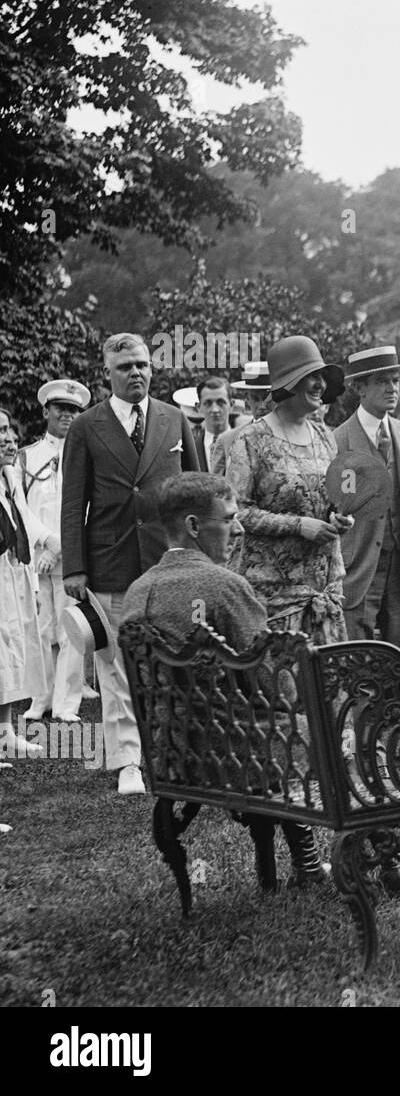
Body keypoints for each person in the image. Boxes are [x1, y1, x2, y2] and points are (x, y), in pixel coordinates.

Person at [119, 472, 326, 886]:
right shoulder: (226, 587)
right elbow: (276, 685)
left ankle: (307, 862)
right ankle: (354, 857)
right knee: (324, 723)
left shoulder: (137, 591)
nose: (239, 528)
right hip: (233, 755)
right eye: (229, 519)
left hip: (169, 755)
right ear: (194, 526)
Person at [61, 333, 199, 795]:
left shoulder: (175, 420)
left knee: (174, 657)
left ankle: (175, 752)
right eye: (125, 367)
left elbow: (196, 493)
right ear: (107, 374)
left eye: (142, 364)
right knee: (115, 664)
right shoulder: (85, 426)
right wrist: (75, 567)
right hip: (110, 560)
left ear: (152, 368)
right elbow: (72, 501)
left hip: (168, 561)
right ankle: (128, 762)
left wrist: (200, 556)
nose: (135, 373)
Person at [225, 336, 352, 647]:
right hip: (274, 598)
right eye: (311, 376)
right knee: (283, 691)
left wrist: (339, 519)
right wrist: (298, 526)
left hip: (323, 595)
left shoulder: (326, 437)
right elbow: (236, 512)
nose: (320, 384)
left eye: (322, 376)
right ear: (288, 384)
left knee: (328, 689)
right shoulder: (252, 440)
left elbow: (334, 499)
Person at [333, 345, 400, 665]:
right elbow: (338, 507)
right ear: (360, 388)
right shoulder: (340, 440)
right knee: (358, 660)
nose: (392, 389)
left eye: (396, 380)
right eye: (382, 381)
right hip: (360, 568)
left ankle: (399, 714)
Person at [17, 379, 91, 724]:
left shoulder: (88, 454)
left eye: (74, 409)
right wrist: (45, 543)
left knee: (71, 631)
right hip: (35, 557)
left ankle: (66, 705)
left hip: (72, 559)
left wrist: (62, 550)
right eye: (61, 408)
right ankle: (40, 699)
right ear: (46, 410)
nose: (68, 414)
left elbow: (87, 510)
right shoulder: (26, 456)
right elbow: (21, 509)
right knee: (40, 630)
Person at [0, 407, 45, 761]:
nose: (7, 440)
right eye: (0, 433)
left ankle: (6, 732)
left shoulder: (9, 476)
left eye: (10, 432)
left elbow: (24, 522)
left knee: (14, 653)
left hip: (14, 572)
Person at [211, 362, 271, 476]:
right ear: (247, 399)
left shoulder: (293, 436)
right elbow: (216, 487)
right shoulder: (227, 440)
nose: (262, 406)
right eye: (255, 399)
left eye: (268, 398)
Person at [193, 376, 231, 473]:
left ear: (232, 405)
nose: (215, 410)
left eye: (221, 403)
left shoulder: (245, 443)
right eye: (208, 403)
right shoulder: (191, 449)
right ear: (198, 407)